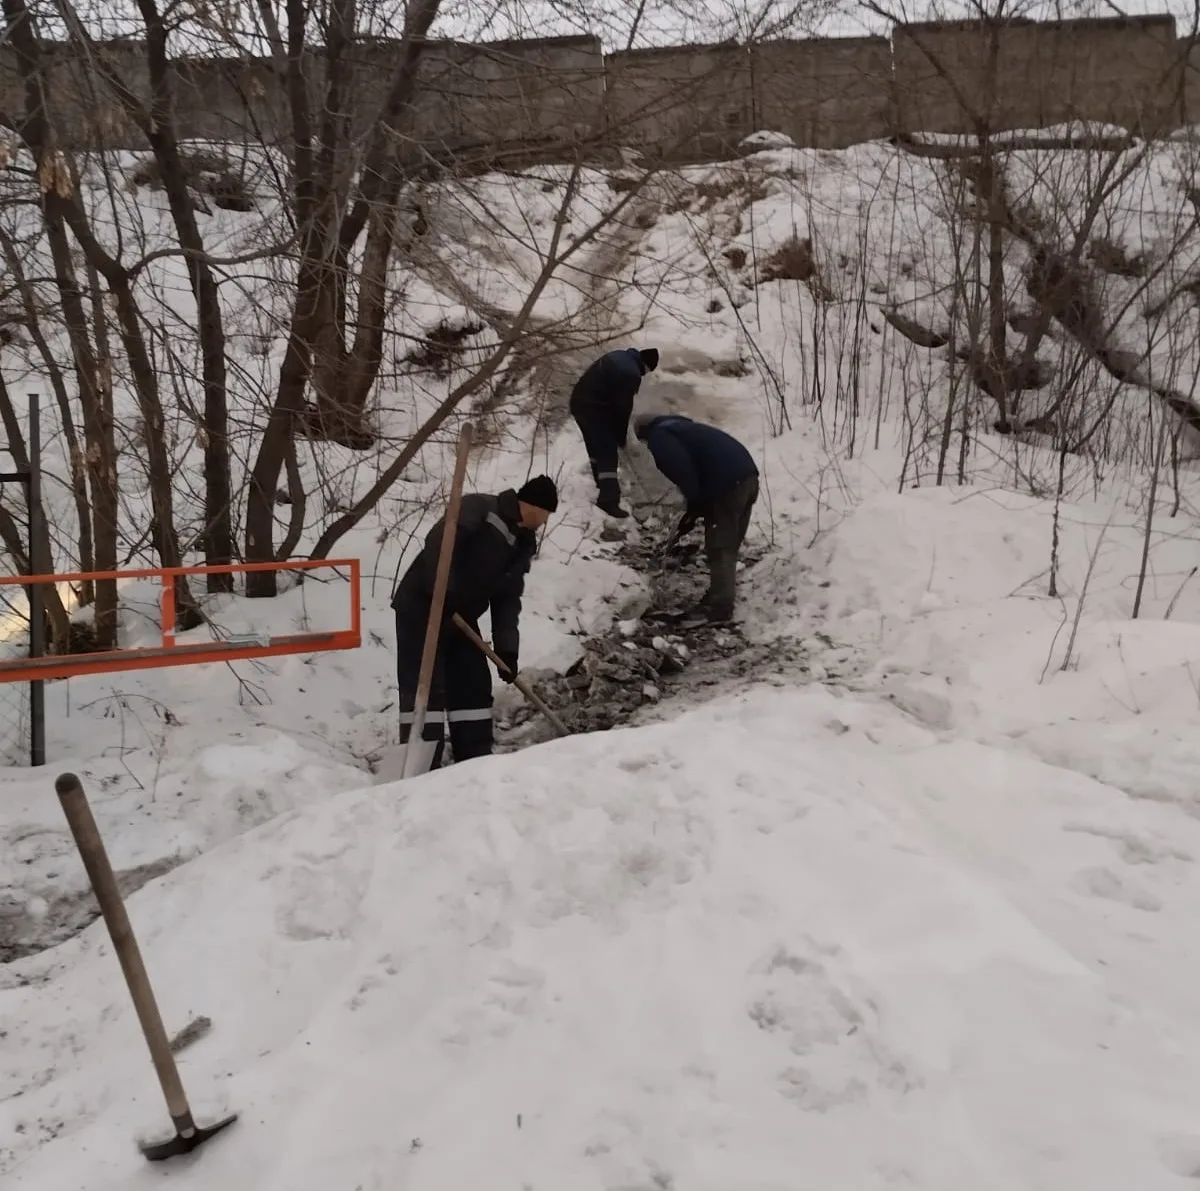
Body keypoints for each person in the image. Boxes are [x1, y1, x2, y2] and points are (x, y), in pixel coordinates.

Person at [390, 475, 558, 775]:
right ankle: (420, 765)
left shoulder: (522, 544)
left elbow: (508, 598)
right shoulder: (478, 507)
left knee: (472, 683)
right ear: (533, 505)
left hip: (461, 615)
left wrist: (508, 651)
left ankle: (474, 761)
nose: (545, 522)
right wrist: (445, 591)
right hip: (424, 605)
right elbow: (440, 543)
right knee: (425, 687)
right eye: (546, 514)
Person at [633, 413, 759, 624]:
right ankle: (719, 593)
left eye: (645, 443)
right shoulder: (685, 429)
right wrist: (694, 510)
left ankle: (720, 608)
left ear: (645, 433)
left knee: (720, 547)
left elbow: (683, 471)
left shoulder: (660, 436)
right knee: (729, 543)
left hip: (728, 487)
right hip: (748, 479)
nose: (648, 446)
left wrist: (695, 503)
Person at [569, 347, 659, 519]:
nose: (645, 375)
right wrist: (620, 436)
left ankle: (600, 483)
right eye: (647, 372)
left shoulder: (619, 356)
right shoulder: (631, 373)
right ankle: (608, 501)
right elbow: (622, 409)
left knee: (595, 446)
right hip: (594, 409)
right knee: (607, 452)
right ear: (646, 366)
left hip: (580, 403)